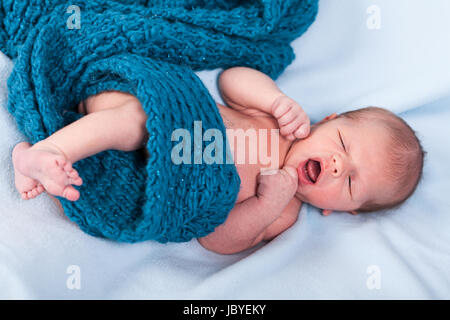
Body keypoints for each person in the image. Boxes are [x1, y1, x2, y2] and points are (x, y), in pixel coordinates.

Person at [11, 67, 425, 254]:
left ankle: (40, 156)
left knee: (112, 167)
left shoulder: (284, 212)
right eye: (342, 145)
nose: (336, 166)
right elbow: (231, 79)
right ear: (328, 121)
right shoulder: (282, 122)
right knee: (137, 119)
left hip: (161, 183)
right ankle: (53, 151)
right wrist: (275, 99)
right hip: (164, 119)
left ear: (341, 212)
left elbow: (217, 238)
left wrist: (266, 204)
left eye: (350, 183)